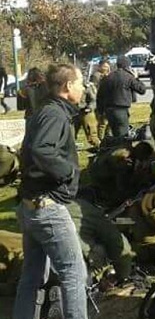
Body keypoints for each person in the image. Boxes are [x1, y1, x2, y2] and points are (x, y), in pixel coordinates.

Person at [14, 63, 88, 319]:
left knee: (32, 276)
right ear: (68, 86)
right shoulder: (54, 114)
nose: (83, 88)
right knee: (74, 273)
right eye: (80, 83)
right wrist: (67, 172)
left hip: (31, 205)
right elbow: (41, 149)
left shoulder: (45, 110)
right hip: (47, 208)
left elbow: (30, 150)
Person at [97, 55, 145, 138]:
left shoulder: (108, 77)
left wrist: (100, 111)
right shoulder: (129, 77)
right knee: (123, 135)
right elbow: (142, 90)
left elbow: (100, 95)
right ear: (127, 65)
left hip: (109, 110)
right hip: (121, 110)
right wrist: (136, 78)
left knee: (115, 134)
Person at [74, 79, 100, 150]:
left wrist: (90, 107)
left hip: (86, 112)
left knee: (91, 133)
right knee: (71, 131)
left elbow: (93, 99)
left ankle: (98, 147)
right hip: (74, 111)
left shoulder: (88, 86)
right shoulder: (71, 86)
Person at [91, 61, 111, 141]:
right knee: (103, 122)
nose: (106, 68)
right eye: (105, 66)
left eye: (107, 66)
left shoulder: (109, 75)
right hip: (101, 100)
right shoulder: (96, 75)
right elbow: (95, 88)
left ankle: (108, 137)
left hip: (108, 100)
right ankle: (101, 139)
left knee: (110, 121)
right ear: (100, 67)